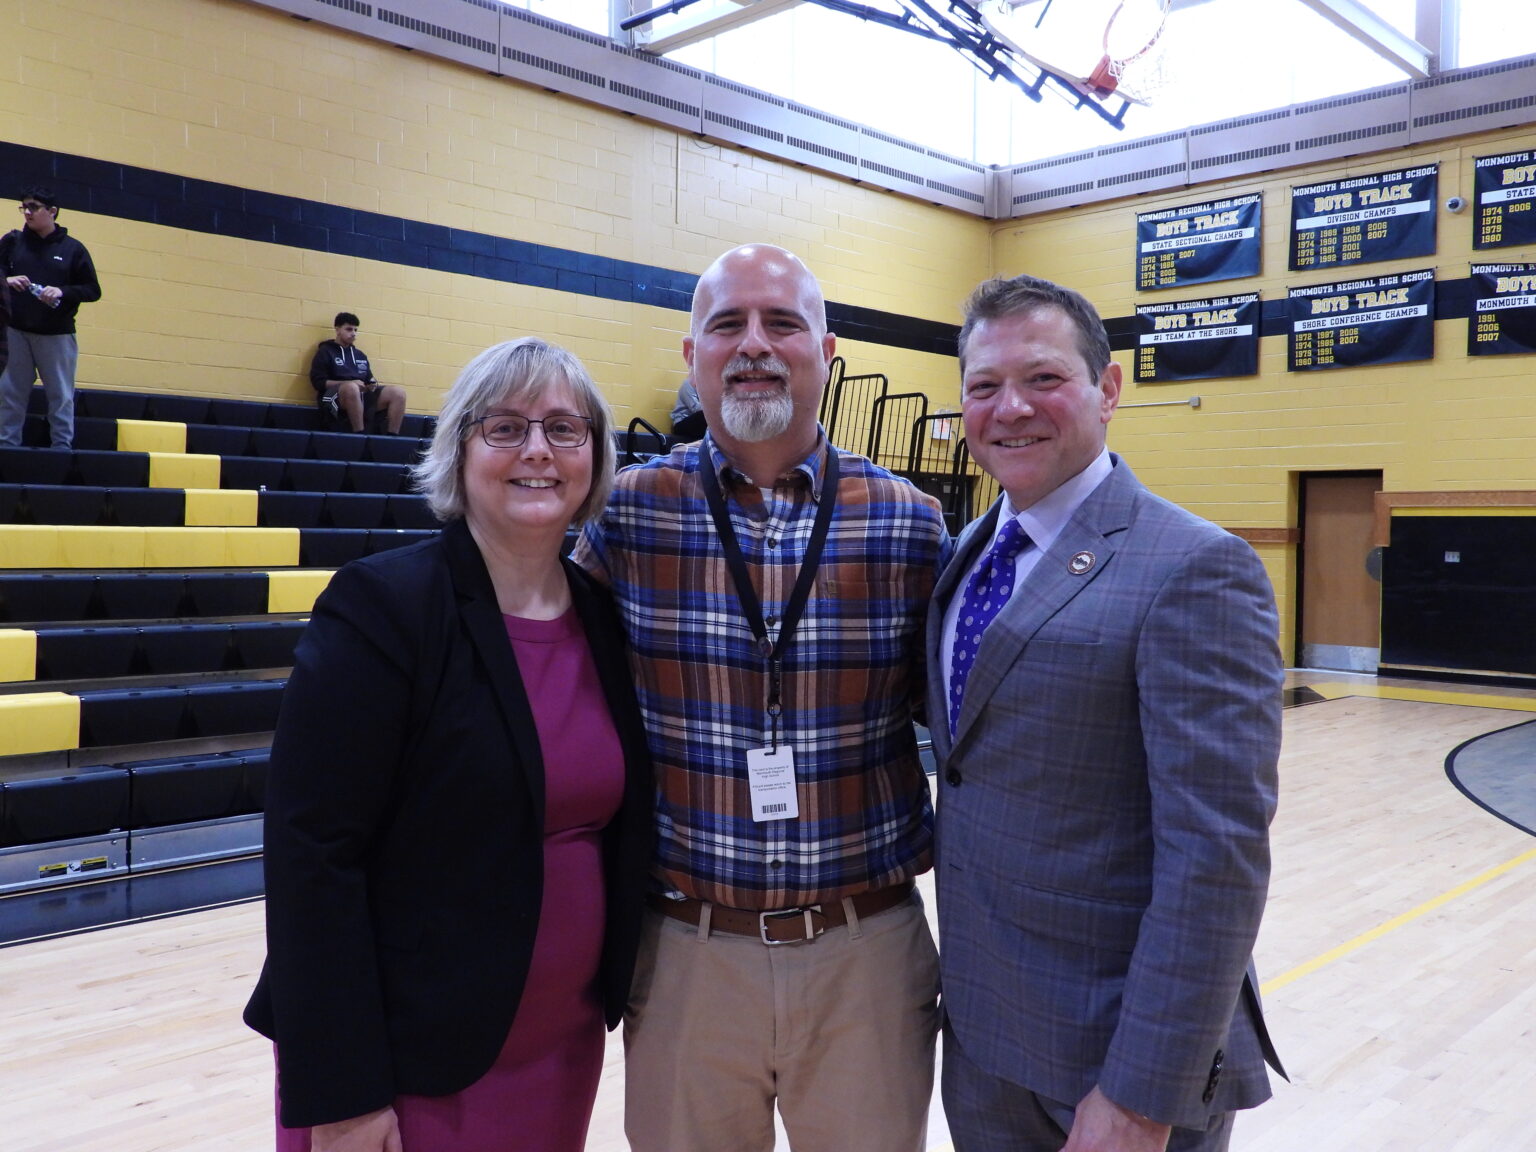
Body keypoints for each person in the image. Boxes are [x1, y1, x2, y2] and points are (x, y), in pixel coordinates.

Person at [574, 243, 951, 1152]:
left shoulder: (909, 521)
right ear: (691, 355)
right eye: (727, 325)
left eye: (782, 323)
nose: (754, 345)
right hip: (685, 954)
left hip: (866, 950)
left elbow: (973, 723)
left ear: (828, 353)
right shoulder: (626, 515)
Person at [244, 338, 653, 1152]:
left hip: (558, 1048)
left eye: (564, 430)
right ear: (460, 450)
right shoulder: (384, 605)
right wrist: (345, 1094)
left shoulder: (604, 618)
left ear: (594, 458)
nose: (537, 450)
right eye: (505, 428)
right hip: (407, 1061)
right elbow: (311, 854)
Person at [928, 273, 1285, 1152]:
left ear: (1108, 388)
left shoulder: (1197, 568)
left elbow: (1217, 859)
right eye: (983, 387)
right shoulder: (969, 551)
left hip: (1112, 1066)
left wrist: (1140, 1092)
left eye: (1043, 378)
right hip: (984, 1044)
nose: (1009, 408)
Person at [0, 184, 102, 449]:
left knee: (60, 396)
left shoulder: (73, 249)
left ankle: (61, 448)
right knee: (10, 394)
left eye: (34, 207)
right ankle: (7, 446)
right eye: (24, 207)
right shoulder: (11, 243)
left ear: (53, 211)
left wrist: (63, 291)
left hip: (56, 335)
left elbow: (93, 290)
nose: (27, 213)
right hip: (16, 331)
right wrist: (6, 281)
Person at [308, 311, 406, 434]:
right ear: (338, 330)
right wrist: (349, 383)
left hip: (360, 394)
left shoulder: (360, 355)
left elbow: (369, 379)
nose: (353, 333)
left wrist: (371, 385)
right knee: (351, 388)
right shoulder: (325, 351)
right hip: (333, 397)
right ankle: (359, 435)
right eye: (349, 329)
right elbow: (318, 382)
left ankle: (393, 437)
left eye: (355, 330)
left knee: (398, 392)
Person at [669, 374, 706, 441]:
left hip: (695, 424)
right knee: (704, 415)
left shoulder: (704, 388)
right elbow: (695, 408)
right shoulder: (687, 385)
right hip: (681, 423)